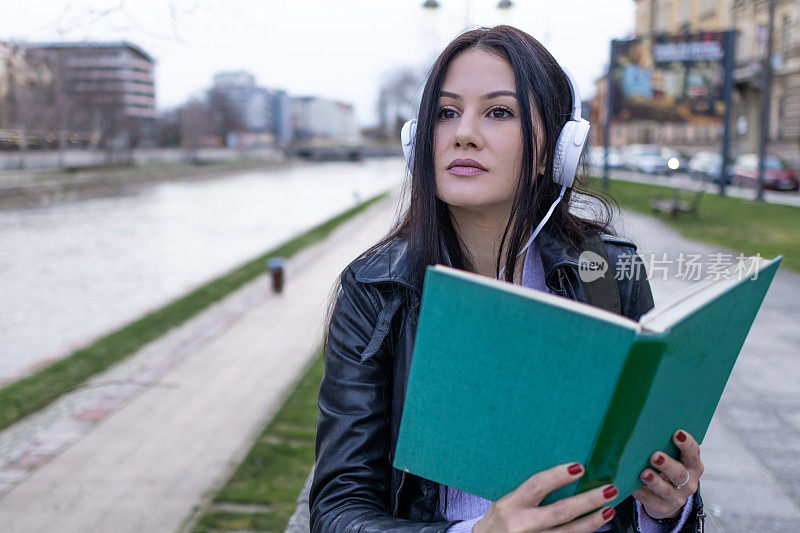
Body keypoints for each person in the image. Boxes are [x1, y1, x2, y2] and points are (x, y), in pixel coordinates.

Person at [309, 25, 705, 533]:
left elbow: (639, 481)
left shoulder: (604, 273)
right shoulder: (376, 290)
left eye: (499, 112)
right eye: (447, 113)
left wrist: (665, 508)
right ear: (419, 142)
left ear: (555, 149)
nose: (463, 133)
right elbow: (338, 512)